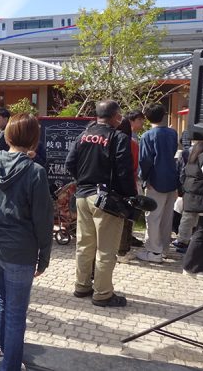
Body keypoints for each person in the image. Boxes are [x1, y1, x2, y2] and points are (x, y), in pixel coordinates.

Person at [0, 113, 52, 371]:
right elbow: (43, 219)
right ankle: (9, 364)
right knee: (16, 312)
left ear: (7, 135)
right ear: (33, 139)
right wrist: (45, 255)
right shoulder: (36, 172)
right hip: (19, 250)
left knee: (3, 299)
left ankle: (2, 348)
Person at [65, 100, 136, 307]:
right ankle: (103, 294)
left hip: (82, 196)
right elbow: (124, 171)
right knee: (106, 249)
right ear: (115, 116)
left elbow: (70, 163)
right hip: (106, 200)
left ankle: (82, 286)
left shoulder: (83, 135)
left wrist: (83, 180)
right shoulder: (118, 137)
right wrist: (129, 196)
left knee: (84, 245)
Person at [137, 104, 179, 263]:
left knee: (153, 217)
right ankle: (164, 249)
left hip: (155, 180)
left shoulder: (147, 135)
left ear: (147, 118)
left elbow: (145, 160)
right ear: (164, 115)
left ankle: (154, 252)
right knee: (167, 217)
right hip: (171, 179)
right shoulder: (172, 133)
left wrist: (143, 179)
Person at [175, 140, 203, 253]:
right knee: (198, 222)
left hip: (189, 193)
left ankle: (182, 241)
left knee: (187, 219)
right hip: (200, 195)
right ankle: (191, 243)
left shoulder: (191, 161)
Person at [116, 118, 140, 257]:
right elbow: (135, 166)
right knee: (127, 219)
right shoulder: (134, 144)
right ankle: (124, 249)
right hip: (130, 182)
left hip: (116, 185)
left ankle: (118, 249)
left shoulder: (114, 141)